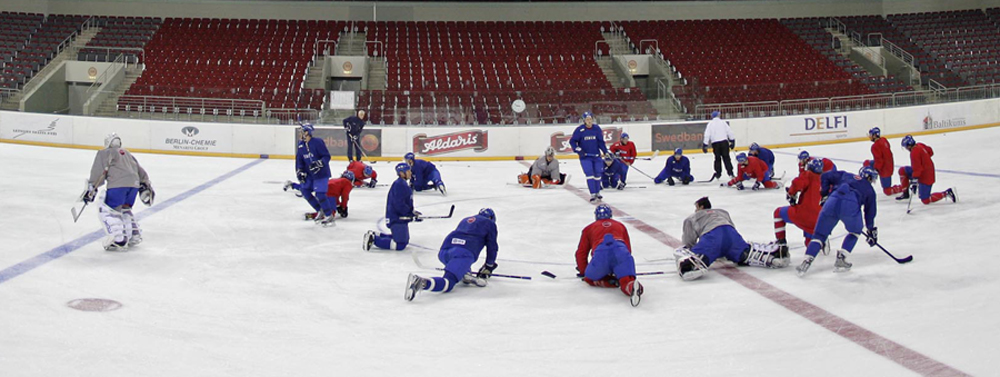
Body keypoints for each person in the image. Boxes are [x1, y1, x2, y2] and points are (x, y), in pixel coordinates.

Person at [674, 197, 788, 281]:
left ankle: (692, 266)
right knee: (744, 253)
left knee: (696, 256)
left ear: (701, 207)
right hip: (731, 234)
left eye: (696, 207)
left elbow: (688, 242)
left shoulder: (692, 218)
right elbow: (731, 226)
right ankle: (772, 257)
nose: (695, 210)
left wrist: (694, 249)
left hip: (712, 236)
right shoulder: (722, 212)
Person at [796, 167, 880, 277]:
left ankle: (806, 261)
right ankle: (841, 259)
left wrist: (825, 194)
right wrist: (870, 230)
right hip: (850, 205)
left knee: (819, 235)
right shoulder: (869, 190)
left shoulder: (846, 175)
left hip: (832, 200)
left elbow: (825, 176)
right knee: (855, 232)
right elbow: (870, 212)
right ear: (869, 177)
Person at [404, 208, 499, 302]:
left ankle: (465, 274)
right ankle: (422, 283)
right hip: (463, 253)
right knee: (448, 283)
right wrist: (489, 266)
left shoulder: (466, 219)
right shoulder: (490, 224)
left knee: (458, 263)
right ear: (491, 218)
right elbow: (492, 247)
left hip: (445, 251)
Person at [82, 133, 154, 251]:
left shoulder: (105, 153)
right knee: (125, 209)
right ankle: (133, 235)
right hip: (133, 186)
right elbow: (139, 170)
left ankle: (118, 239)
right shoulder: (127, 153)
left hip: (118, 185)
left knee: (109, 210)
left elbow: (98, 171)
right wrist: (145, 184)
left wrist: (92, 187)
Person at [575, 204, 643, 306]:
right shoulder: (620, 225)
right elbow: (628, 249)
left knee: (589, 278)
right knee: (626, 279)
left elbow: (581, 253)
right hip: (621, 251)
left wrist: (583, 271)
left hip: (601, 253)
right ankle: (631, 286)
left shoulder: (588, 228)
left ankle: (608, 282)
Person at [364, 163, 420, 251]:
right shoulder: (399, 184)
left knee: (403, 240)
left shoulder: (402, 184)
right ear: (401, 173)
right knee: (400, 244)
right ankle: (374, 240)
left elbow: (404, 202)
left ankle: (376, 235)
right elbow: (398, 204)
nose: (410, 172)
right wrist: (409, 214)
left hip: (398, 217)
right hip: (396, 218)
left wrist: (411, 212)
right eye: (408, 171)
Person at [774, 158, 824, 255]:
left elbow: (797, 183)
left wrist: (791, 193)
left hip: (803, 214)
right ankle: (818, 242)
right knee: (809, 240)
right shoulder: (825, 181)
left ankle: (781, 243)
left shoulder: (808, 174)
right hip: (820, 219)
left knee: (778, 213)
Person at [890, 135, 957, 205]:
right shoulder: (919, 145)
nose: (906, 148)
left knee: (925, 200)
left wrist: (915, 181)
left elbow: (917, 169)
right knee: (902, 170)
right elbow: (930, 152)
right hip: (927, 170)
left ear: (909, 146)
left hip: (926, 176)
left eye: (906, 147)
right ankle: (905, 193)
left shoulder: (914, 153)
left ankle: (946, 193)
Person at [295, 123, 335, 226]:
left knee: (320, 194)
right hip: (310, 174)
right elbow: (299, 161)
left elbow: (326, 156)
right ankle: (320, 210)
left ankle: (329, 215)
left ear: (307, 132)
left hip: (321, 173)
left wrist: (319, 163)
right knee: (304, 191)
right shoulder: (301, 145)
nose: (300, 133)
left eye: (302, 131)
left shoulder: (317, 142)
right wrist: (300, 171)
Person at [569, 112, 610, 202]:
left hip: (596, 156)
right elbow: (572, 142)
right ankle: (592, 194)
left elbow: (600, 142)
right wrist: (578, 149)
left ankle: (598, 192)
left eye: (590, 119)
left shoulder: (596, 129)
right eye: (587, 119)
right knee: (589, 174)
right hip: (585, 157)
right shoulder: (579, 130)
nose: (589, 121)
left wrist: (605, 151)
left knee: (598, 173)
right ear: (584, 120)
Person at [702, 111, 736, 181]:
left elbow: (707, 134)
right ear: (718, 115)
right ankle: (730, 173)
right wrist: (732, 141)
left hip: (715, 143)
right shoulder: (723, 123)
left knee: (717, 158)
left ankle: (718, 173)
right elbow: (729, 132)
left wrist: (705, 144)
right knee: (726, 158)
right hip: (724, 142)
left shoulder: (710, 124)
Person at [863, 127, 896, 196]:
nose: (870, 136)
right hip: (889, 165)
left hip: (885, 169)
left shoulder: (875, 146)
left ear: (875, 135)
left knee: (887, 191)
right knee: (867, 163)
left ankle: (902, 188)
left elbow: (879, 160)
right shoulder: (884, 140)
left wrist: (876, 170)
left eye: (871, 135)